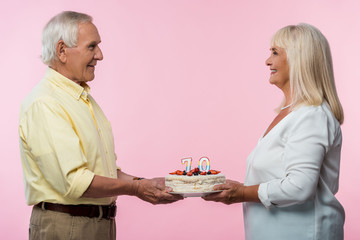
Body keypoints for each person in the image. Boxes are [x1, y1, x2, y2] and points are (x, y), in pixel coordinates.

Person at [19, 11, 182, 240]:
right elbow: (76, 182)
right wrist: (136, 189)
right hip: (67, 227)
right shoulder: (46, 103)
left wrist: (145, 184)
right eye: (91, 46)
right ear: (62, 51)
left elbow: (103, 173)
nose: (100, 55)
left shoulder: (82, 100)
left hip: (97, 225)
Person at [203, 23, 345, 240]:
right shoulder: (291, 114)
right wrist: (239, 190)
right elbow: (279, 179)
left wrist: (241, 193)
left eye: (275, 52)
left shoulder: (312, 116)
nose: (268, 61)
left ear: (299, 59)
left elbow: (300, 187)